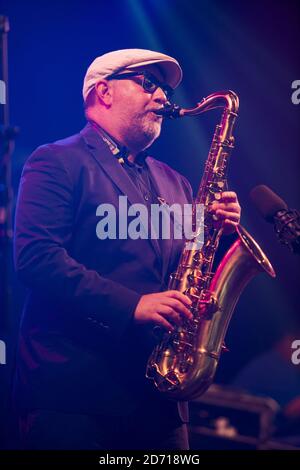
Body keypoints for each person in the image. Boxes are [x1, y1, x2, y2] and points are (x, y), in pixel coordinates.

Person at [13, 48, 241, 449]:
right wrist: (132, 305)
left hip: (159, 400)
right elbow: (36, 259)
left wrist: (213, 231)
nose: (163, 99)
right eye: (148, 84)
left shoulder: (175, 182)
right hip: (76, 399)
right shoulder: (55, 161)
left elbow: (188, 265)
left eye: (165, 90)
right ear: (104, 92)